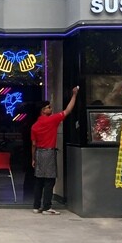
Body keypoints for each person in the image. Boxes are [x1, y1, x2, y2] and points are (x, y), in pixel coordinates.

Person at [31, 87, 79, 215]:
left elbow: (33, 144)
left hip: (39, 153)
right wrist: (74, 95)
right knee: (50, 180)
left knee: (39, 180)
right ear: (43, 110)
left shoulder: (34, 126)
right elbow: (68, 110)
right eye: (49, 107)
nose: (51, 109)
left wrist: (33, 159)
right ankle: (47, 207)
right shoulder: (52, 120)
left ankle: (36, 206)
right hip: (48, 152)